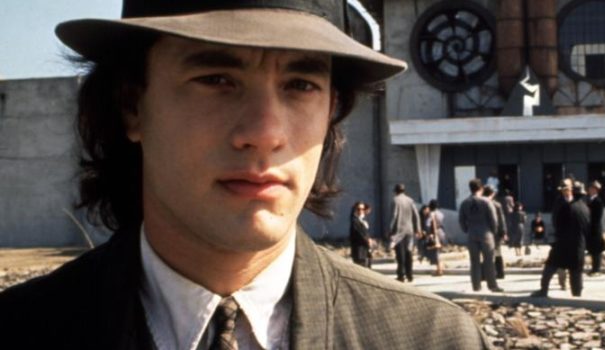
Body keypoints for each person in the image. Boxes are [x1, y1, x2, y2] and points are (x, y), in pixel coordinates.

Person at [0, 1, 490, 348]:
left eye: (300, 84)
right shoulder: (25, 329)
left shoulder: (430, 338)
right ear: (132, 106)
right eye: (216, 80)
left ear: (332, 113)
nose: (264, 133)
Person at [531, 180, 591, 297]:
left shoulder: (566, 207)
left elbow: (558, 225)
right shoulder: (585, 208)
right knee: (576, 272)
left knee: (550, 266)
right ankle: (577, 294)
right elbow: (587, 227)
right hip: (579, 244)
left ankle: (544, 290)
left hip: (563, 244)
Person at [458, 179, 503, 292]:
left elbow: (461, 220)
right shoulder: (486, 202)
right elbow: (494, 220)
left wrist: (466, 230)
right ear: (481, 189)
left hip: (472, 234)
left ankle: (476, 286)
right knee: (489, 261)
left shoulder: (464, 203)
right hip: (486, 234)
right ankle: (492, 285)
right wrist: (493, 231)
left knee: (474, 261)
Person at [389, 184, 420, 283]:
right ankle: (410, 274)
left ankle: (401, 275)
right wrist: (418, 228)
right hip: (409, 230)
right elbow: (416, 215)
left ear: (396, 191)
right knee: (409, 252)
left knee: (400, 254)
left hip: (399, 231)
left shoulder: (395, 200)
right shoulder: (410, 200)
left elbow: (394, 215)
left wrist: (390, 229)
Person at [483, 185, 508, 279]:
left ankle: (485, 274)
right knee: (497, 252)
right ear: (493, 193)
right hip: (496, 232)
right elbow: (502, 220)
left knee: (485, 253)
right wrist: (504, 232)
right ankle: (500, 273)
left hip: (485, 232)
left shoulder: (481, 204)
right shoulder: (497, 205)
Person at [586, 180, 605, 276]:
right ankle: (594, 268)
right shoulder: (590, 200)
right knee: (592, 250)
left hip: (595, 228)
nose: (589, 190)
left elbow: (597, 216)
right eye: (589, 188)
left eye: (592, 188)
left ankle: (597, 269)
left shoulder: (598, 201)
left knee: (597, 250)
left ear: (596, 190)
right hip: (590, 228)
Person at [423, 200, 446, 276]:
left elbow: (427, 224)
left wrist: (429, 233)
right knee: (439, 251)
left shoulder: (431, 214)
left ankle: (439, 270)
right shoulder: (441, 214)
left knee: (436, 252)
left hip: (434, 233)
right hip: (441, 232)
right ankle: (441, 267)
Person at [350, 201, 374, 268]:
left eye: (362, 209)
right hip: (359, 252)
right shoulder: (355, 221)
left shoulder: (362, 220)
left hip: (365, 251)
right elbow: (359, 234)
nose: (361, 211)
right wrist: (368, 240)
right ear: (355, 210)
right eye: (358, 209)